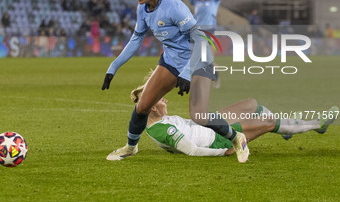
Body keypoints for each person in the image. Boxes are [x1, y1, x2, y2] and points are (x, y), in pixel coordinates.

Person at [102, 0, 249, 163]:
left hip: (198, 60)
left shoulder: (174, 6)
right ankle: (130, 147)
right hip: (171, 61)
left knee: (198, 115)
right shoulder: (143, 9)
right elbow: (136, 38)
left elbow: (199, 38)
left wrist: (187, 73)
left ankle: (237, 138)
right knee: (143, 105)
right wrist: (113, 67)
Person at [121, 84, 338, 157]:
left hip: (209, 125)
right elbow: (191, 150)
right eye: (160, 98)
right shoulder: (160, 129)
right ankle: (317, 124)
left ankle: (286, 128)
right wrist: (224, 151)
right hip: (218, 140)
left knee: (252, 104)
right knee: (268, 123)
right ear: (150, 107)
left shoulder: (159, 119)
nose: (164, 98)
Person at [182, 0, 225, 88]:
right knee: (192, 57)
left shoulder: (215, 1)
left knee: (208, 58)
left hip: (209, 32)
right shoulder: (196, 2)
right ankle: (190, 79)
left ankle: (216, 77)